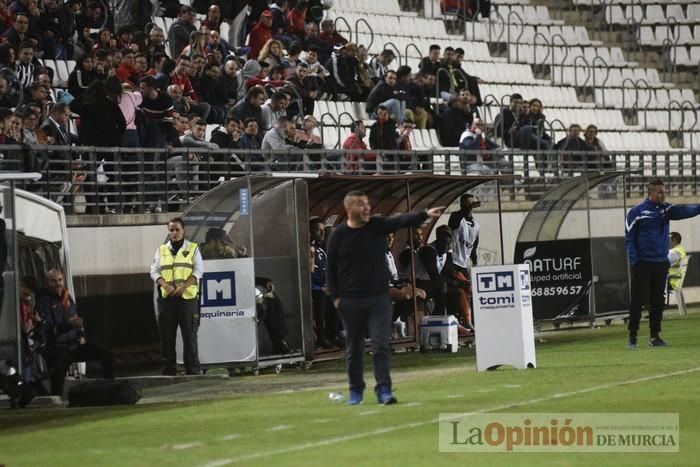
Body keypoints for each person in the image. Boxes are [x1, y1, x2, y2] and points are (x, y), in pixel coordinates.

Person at [326, 190, 444, 405]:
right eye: (361, 204)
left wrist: (423, 214)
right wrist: (336, 298)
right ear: (349, 208)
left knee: (381, 345)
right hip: (351, 301)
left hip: (379, 299)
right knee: (354, 349)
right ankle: (355, 391)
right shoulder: (339, 235)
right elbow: (330, 269)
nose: (366, 207)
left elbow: (399, 220)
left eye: (367, 203)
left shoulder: (376, 226)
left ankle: (384, 390)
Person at [625, 180, 700, 348]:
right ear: (650, 193)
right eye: (659, 192)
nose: (662, 195)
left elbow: (686, 211)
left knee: (658, 301)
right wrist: (634, 260)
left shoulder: (666, 210)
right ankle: (632, 337)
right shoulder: (637, 212)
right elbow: (629, 238)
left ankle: (654, 336)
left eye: (663, 192)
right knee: (637, 301)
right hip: (642, 263)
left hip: (660, 263)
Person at [36, 269, 114, 396]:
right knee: (56, 391)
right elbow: (48, 329)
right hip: (57, 349)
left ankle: (110, 389)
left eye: (60, 280)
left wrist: (80, 333)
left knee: (106, 353)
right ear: (47, 283)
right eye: (53, 281)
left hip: (74, 346)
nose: (58, 283)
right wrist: (69, 325)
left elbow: (74, 317)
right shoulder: (43, 302)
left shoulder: (67, 296)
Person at [150, 217, 204, 375]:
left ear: (183, 230)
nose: (174, 233)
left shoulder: (193, 248)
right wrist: (165, 285)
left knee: (190, 335)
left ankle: (192, 370)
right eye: (171, 230)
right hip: (167, 299)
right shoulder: (161, 250)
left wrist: (184, 286)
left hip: (187, 299)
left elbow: (198, 271)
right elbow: (154, 271)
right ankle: (168, 370)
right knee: (167, 337)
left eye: (177, 229)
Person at [448, 193, 480, 277]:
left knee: (468, 286)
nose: (472, 204)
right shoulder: (456, 216)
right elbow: (453, 225)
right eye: (469, 202)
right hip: (453, 260)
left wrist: (474, 260)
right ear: (462, 204)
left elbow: (474, 245)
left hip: (464, 263)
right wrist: (466, 206)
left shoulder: (476, 224)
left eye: (473, 202)